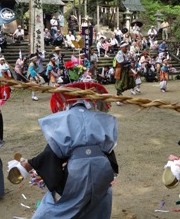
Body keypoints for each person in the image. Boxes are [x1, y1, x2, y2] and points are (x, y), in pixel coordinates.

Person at [8, 82, 117, 218]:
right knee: (100, 197)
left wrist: (28, 165)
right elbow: (109, 150)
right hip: (102, 166)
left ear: (67, 102)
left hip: (79, 169)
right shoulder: (102, 118)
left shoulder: (62, 119)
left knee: (64, 202)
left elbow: (51, 153)